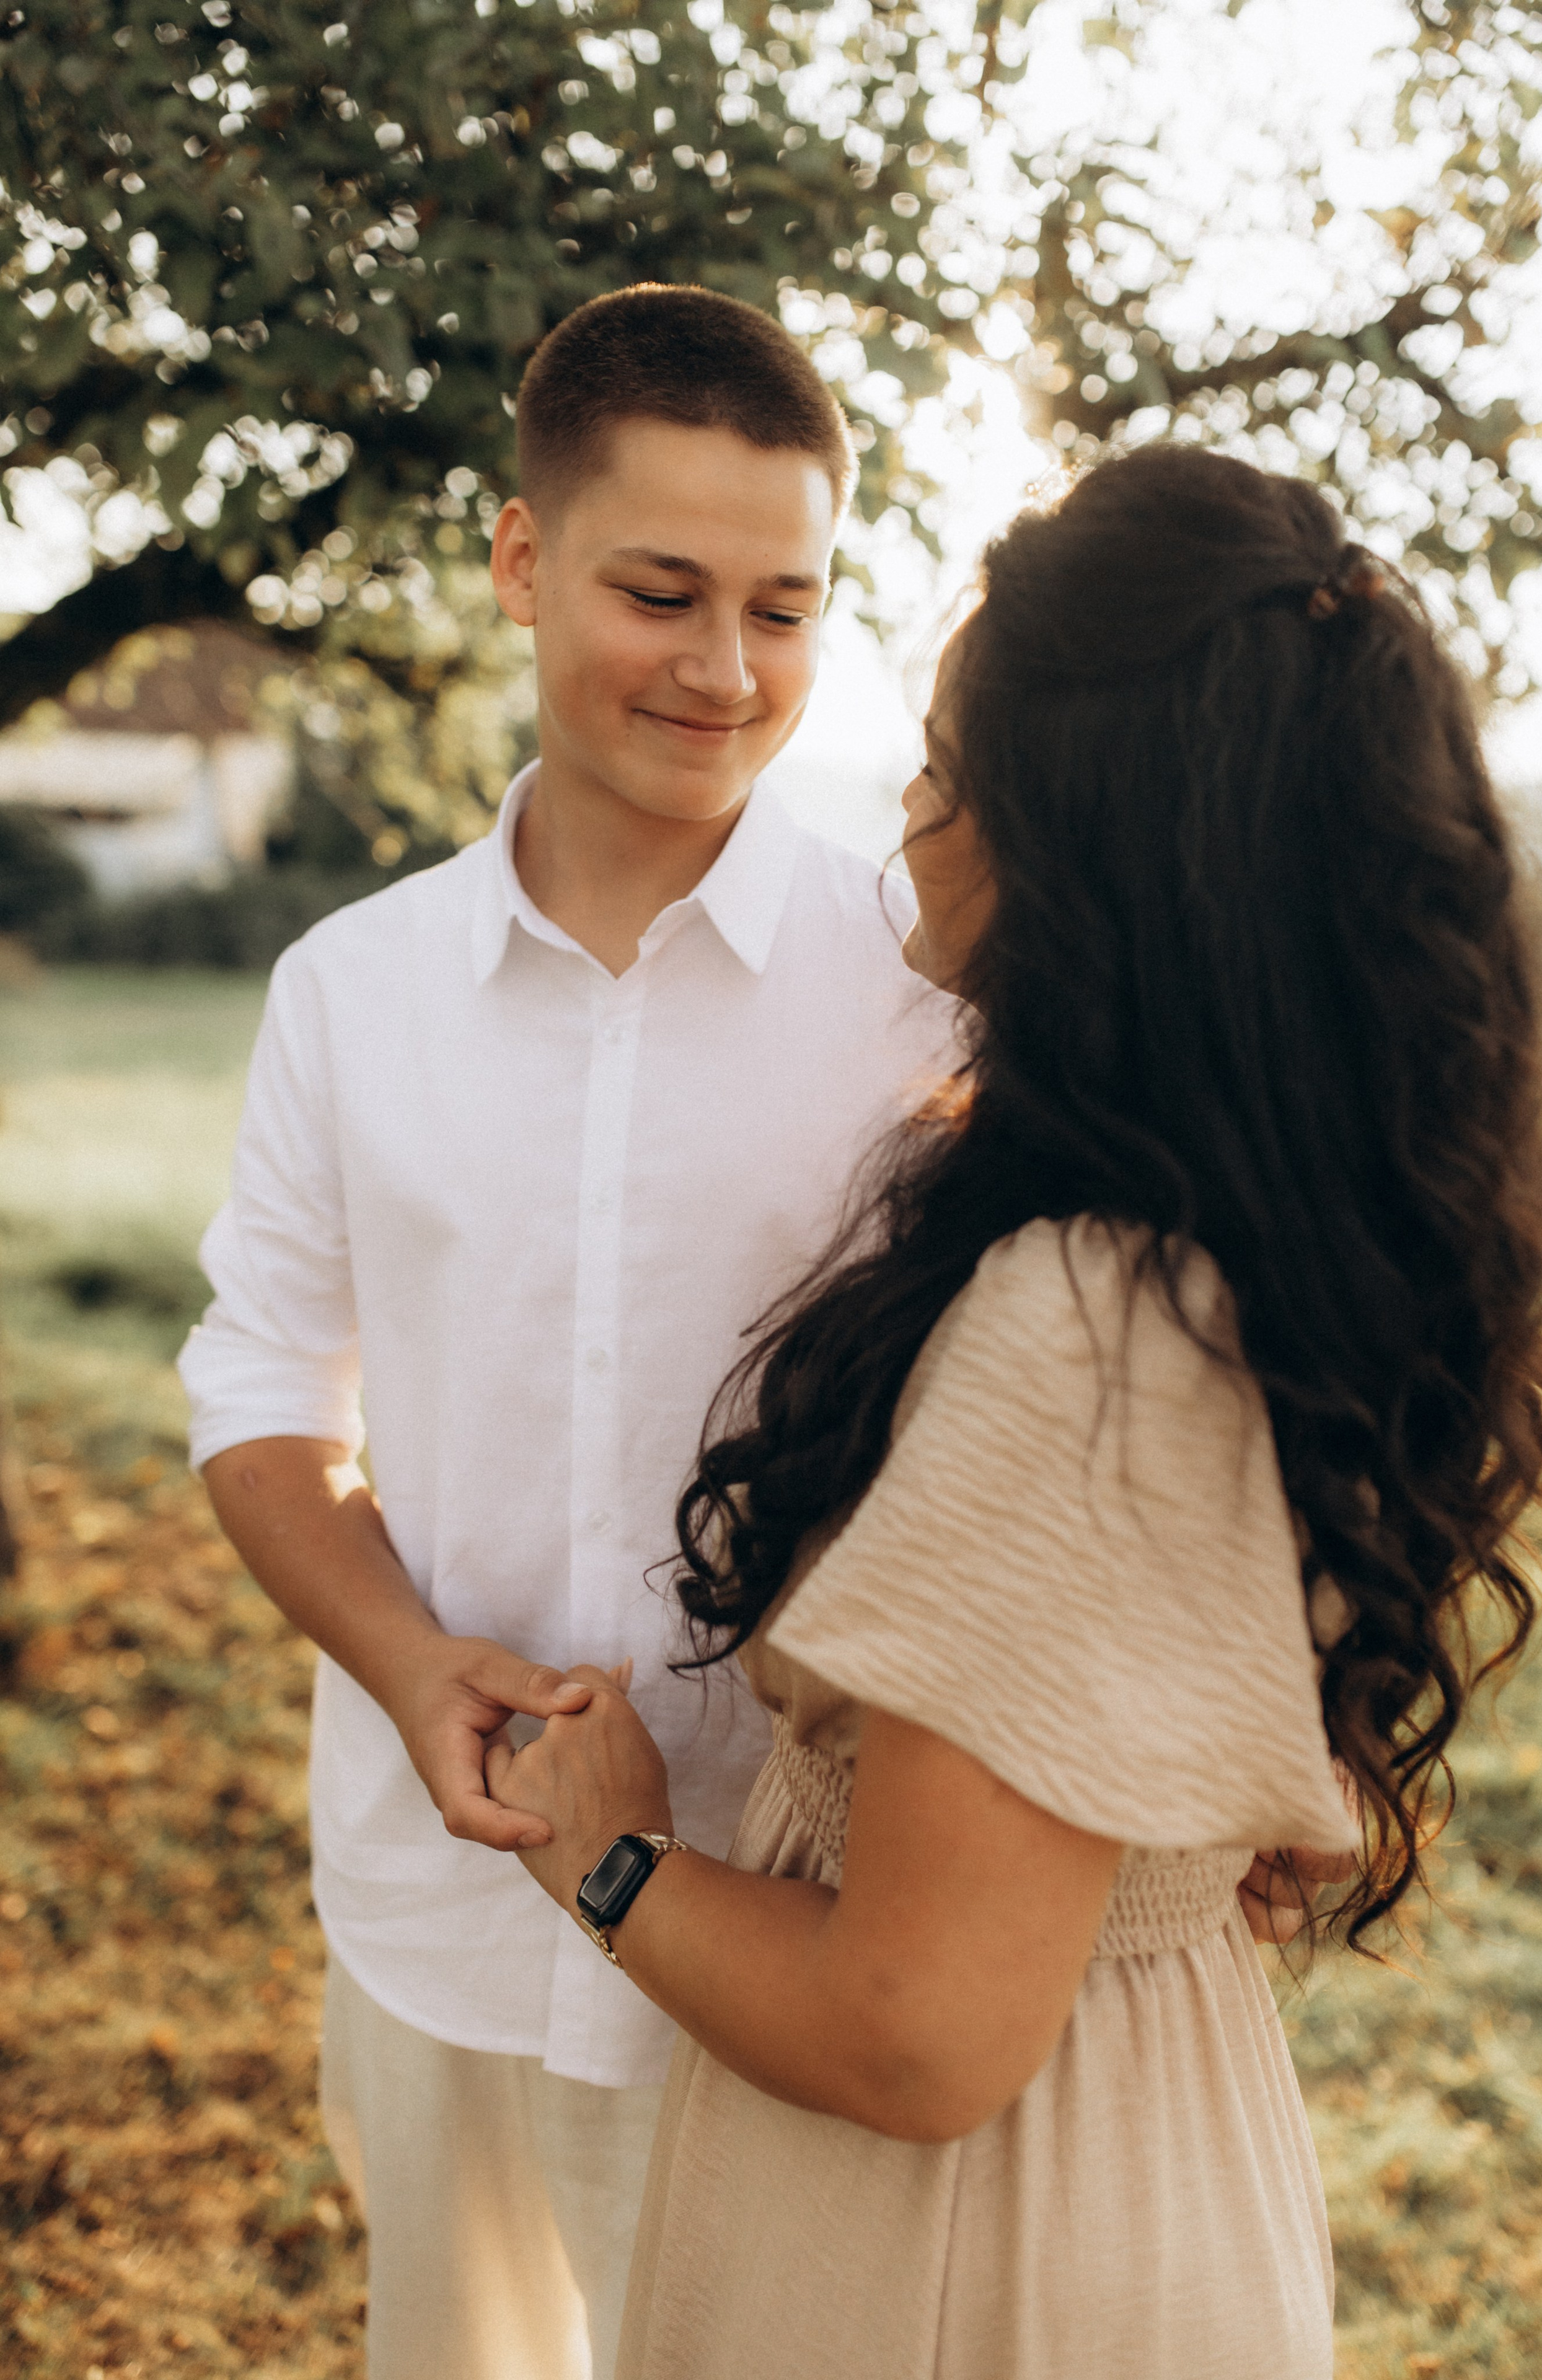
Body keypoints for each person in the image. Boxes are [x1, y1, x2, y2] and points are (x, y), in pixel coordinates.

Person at [486, 443, 1542, 2379]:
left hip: (970, 2244)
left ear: (1092, 843)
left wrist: (609, 1852)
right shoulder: (1251, 1236)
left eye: (949, 754)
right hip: (1137, 2138)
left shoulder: (1087, 1316)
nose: (908, 801)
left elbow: (914, 2032)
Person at [178, 283, 961, 2380]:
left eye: (785, 609)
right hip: (432, 1921)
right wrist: (411, 1660)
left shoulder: (930, 994)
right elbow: (262, 1391)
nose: (725, 673)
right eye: (662, 591)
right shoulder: (349, 990)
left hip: (790, 1932)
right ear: (524, 565)